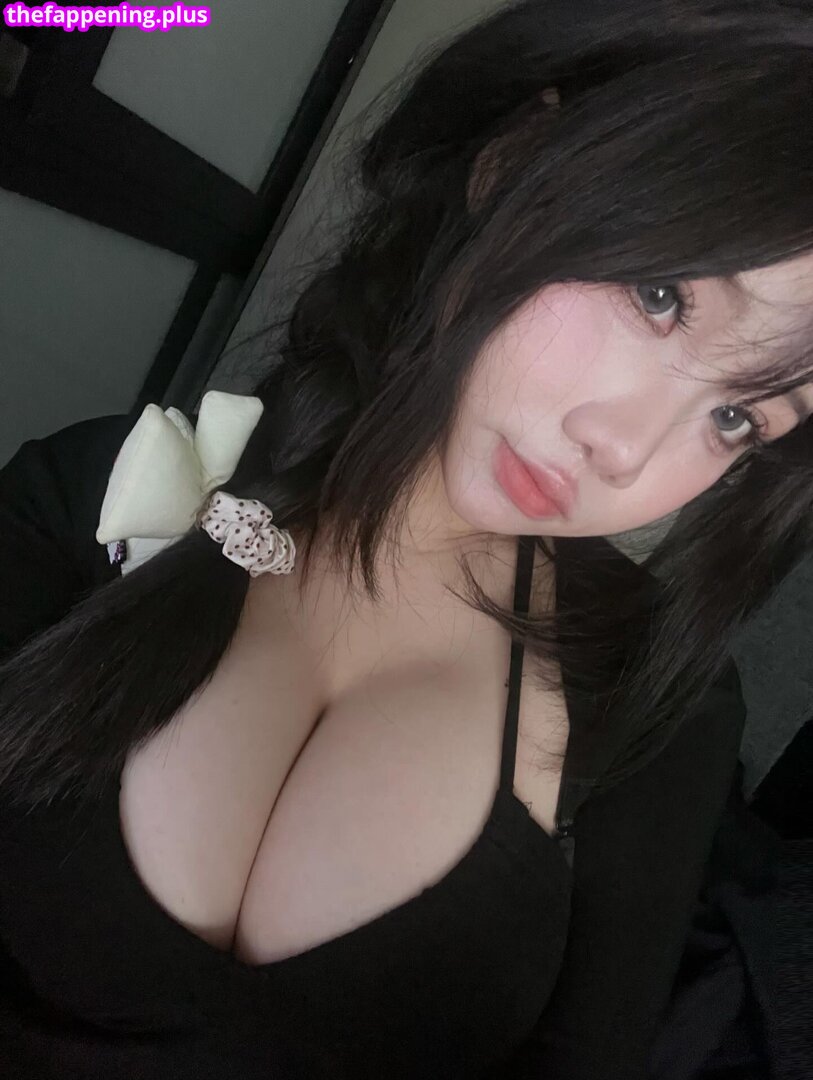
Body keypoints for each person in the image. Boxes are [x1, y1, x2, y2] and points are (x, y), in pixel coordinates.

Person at [1, 1, 813, 1076]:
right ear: (512, 159)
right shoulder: (90, 493)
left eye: (738, 418)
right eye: (661, 296)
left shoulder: (657, 702)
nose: (624, 451)